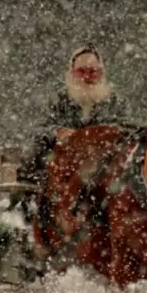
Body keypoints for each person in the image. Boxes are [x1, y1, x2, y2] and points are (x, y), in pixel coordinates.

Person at [17, 44, 123, 186]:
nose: (86, 77)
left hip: (102, 169)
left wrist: (104, 136)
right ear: (71, 74)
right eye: (81, 71)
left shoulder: (114, 102)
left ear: (101, 74)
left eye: (92, 72)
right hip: (60, 167)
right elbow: (38, 129)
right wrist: (58, 133)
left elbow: (126, 129)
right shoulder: (58, 99)